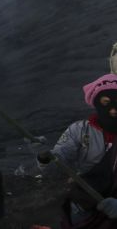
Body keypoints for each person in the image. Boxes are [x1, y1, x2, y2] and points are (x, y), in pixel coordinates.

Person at [37, 74, 117, 228]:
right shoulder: (79, 130)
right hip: (83, 204)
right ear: (96, 103)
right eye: (106, 102)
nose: (113, 109)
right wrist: (45, 158)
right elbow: (57, 168)